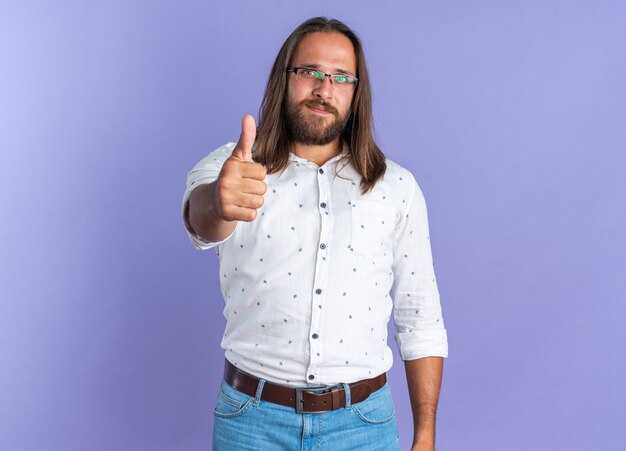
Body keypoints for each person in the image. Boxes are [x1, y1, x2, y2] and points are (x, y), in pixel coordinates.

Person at [182, 16, 448, 451]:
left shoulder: (396, 188)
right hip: (251, 422)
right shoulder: (233, 168)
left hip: (364, 425)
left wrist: (425, 435)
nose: (325, 89)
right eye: (310, 72)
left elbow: (421, 318)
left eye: (341, 77)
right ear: (283, 78)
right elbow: (201, 221)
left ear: (356, 92)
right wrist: (218, 201)